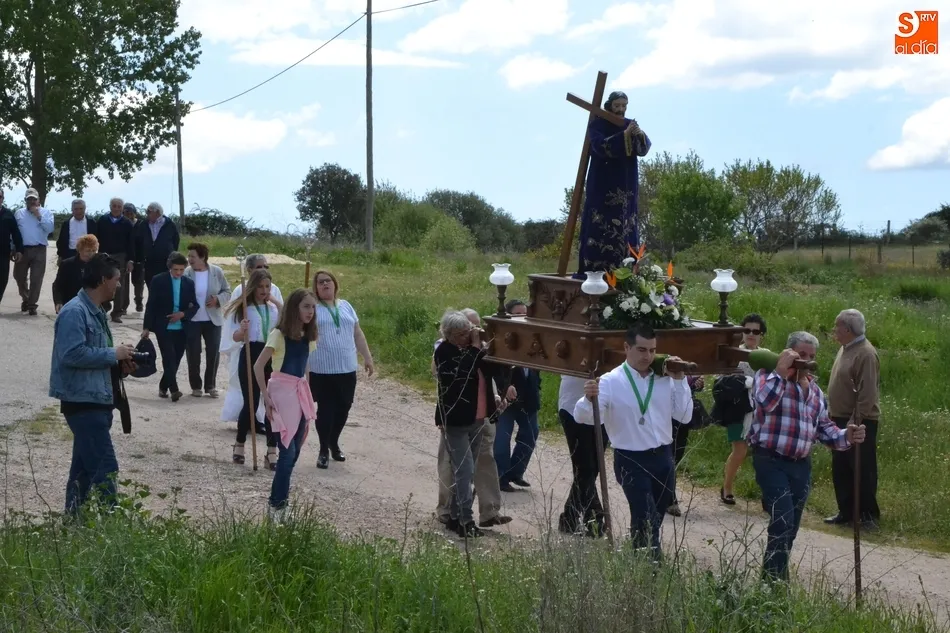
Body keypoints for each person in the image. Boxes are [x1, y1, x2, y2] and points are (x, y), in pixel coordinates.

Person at [748, 331, 867, 581]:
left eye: (811, 356)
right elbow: (764, 401)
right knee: (782, 519)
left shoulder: (814, 391)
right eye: (801, 355)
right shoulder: (767, 377)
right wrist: (781, 372)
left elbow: (823, 429)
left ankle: (773, 578)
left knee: (790, 527)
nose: (807, 360)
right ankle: (774, 583)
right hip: (770, 460)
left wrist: (847, 435)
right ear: (788, 353)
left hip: (801, 466)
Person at [575, 323, 691, 561]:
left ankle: (639, 559)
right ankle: (651, 566)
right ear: (626, 347)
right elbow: (584, 417)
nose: (647, 356)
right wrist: (588, 398)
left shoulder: (664, 378)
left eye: (652, 350)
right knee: (644, 515)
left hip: (663, 458)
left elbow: (684, 415)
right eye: (641, 349)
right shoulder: (610, 381)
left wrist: (680, 381)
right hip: (631, 459)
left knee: (655, 517)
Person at [48, 253, 135, 515]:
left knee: (83, 471)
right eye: (117, 280)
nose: (119, 285)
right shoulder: (75, 312)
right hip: (82, 402)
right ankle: (113, 527)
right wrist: (113, 354)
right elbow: (71, 354)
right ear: (102, 280)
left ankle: (73, 526)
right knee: (105, 469)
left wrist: (121, 362)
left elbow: (95, 354)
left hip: (97, 399)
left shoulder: (96, 312)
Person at [435, 309, 514, 538]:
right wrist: (476, 347)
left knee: (466, 472)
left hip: (479, 419)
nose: (466, 337)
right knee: (465, 470)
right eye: (462, 334)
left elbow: (495, 369)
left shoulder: (474, 351)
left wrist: (493, 347)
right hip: (456, 422)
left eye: (468, 333)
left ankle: (454, 516)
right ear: (449, 334)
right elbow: (461, 374)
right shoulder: (444, 351)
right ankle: (464, 521)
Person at [254, 289, 319, 521]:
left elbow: (306, 367)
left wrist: (308, 394)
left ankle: (279, 499)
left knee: (295, 450)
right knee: (286, 450)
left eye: (312, 307)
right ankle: (277, 506)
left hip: (299, 394)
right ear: (294, 308)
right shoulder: (279, 335)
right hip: (282, 393)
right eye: (306, 307)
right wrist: (266, 395)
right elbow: (258, 366)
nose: (310, 311)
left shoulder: (307, 336)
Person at [576, 91, 651, 276]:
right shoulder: (598, 124)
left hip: (626, 183)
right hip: (603, 184)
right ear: (609, 105)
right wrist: (623, 136)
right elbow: (600, 146)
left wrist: (639, 135)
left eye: (624, 106)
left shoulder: (629, 124)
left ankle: (626, 271)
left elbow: (643, 148)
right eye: (617, 106)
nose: (621, 110)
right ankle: (595, 271)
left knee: (626, 223)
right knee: (601, 223)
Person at [308, 270, 375, 469]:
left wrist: (367, 357)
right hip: (322, 368)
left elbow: (357, 333)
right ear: (316, 288)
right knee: (326, 410)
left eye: (328, 281)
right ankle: (323, 450)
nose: (325, 285)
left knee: (344, 407)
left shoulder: (346, 306)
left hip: (346, 367)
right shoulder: (313, 308)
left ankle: (333, 441)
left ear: (335, 284)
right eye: (320, 283)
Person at [825, 309, 881, 528]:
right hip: (838, 418)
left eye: (836, 326)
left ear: (847, 329)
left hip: (859, 420)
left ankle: (868, 516)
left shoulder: (866, 353)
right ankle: (846, 512)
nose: (834, 330)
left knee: (861, 467)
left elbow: (868, 394)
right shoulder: (845, 348)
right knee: (841, 467)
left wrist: (854, 420)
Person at [224, 269, 280, 467]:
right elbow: (235, 337)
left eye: (268, 287)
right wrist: (242, 331)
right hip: (250, 353)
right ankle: (240, 443)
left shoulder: (274, 309)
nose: (264, 290)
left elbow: (284, 325)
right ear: (253, 287)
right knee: (251, 402)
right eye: (260, 287)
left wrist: (276, 301)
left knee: (271, 403)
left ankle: (272, 450)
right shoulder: (245, 308)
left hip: (269, 355)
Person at [220, 254, 283, 428]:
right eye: (259, 267)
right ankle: (248, 421)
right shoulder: (240, 290)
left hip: (268, 349)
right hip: (247, 349)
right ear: (249, 270)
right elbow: (232, 324)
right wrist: (241, 333)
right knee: (248, 390)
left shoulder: (273, 290)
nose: (263, 270)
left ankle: (262, 421)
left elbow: (280, 320)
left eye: (266, 267)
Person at [721, 313, 770, 505]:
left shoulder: (766, 356)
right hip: (738, 409)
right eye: (747, 330)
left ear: (761, 335)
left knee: (762, 454)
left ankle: (768, 495)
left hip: (760, 411)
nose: (751, 334)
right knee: (740, 451)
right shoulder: (733, 354)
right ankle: (727, 488)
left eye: (755, 331)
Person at [494, 299, 542, 491]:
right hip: (507, 399)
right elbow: (494, 367)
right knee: (501, 440)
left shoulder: (535, 337)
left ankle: (516, 472)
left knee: (530, 435)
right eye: (518, 314)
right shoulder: (500, 339)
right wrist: (505, 386)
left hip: (529, 397)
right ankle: (501, 477)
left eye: (525, 314)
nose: (522, 318)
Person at [142, 252, 198, 402]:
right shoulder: (158, 280)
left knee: (176, 359)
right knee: (169, 358)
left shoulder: (189, 283)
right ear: (169, 268)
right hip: (163, 326)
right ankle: (174, 389)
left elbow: (195, 306)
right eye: (175, 270)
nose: (178, 273)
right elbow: (151, 305)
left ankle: (163, 386)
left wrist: (182, 314)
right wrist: (146, 327)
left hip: (182, 327)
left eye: (181, 270)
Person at [557, 374, 607, 537]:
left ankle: (570, 517)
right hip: (572, 407)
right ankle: (594, 518)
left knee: (592, 469)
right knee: (586, 468)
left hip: (603, 410)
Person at [183, 242, 231, 398]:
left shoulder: (217, 272)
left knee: (213, 353)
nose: (189, 259)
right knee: (193, 353)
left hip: (213, 320)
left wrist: (218, 299)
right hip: (192, 320)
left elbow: (227, 291)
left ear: (202, 257)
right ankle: (196, 386)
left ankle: (210, 385)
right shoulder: (186, 273)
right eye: (189, 255)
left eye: (193, 256)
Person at [667, 374, 706, 517]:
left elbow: (686, 386)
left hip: (682, 417)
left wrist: (696, 383)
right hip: (664, 415)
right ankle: (670, 500)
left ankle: (665, 495)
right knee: (668, 459)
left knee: (675, 457)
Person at [13, 188, 54, 315]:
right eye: (29, 199)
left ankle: (32, 304)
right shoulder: (18, 213)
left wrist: (38, 215)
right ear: (25, 200)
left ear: (38, 200)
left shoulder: (46, 213)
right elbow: (14, 233)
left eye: (34, 199)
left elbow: (50, 229)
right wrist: (13, 249)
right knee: (19, 276)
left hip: (39, 249)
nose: (31, 201)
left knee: (36, 278)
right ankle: (26, 298)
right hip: (23, 250)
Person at [96, 197, 136, 323]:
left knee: (120, 284)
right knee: (103, 282)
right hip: (104, 255)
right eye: (114, 206)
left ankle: (117, 312)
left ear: (122, 208)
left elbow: (131, 243)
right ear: (110, 207)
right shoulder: (102, 220)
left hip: (121, 256)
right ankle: (103, 308)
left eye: (119, 206)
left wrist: (130, 260)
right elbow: (96, 237)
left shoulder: (127, 223)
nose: (117, 208)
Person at [135, 202, 180, 287]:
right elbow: (139, 241)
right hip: (149, 262)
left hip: (165, 262)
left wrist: (170, 253)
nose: (147, 214)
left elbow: (176, 241)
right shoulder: (144, 224)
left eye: (149, 211)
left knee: (165, 286)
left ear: (158, 212)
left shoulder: (169, 224)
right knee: (151, 286)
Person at [53, 234, 100, 313]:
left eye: (94, 250)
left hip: (92, 306)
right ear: (80, 250)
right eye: (88, 250)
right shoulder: (67, 264)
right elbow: (58, 285)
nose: (91, 253)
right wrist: (58, 302)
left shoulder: (98, 265)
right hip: (70, 303)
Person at [0, 190, 24, 305]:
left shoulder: (8, 214)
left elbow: (16, 233)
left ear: (3, 198)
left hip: (3, 253)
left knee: (2, 279)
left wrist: (19, 250)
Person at [122, 203, 145, 312]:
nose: (129, 214)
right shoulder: (122, 224)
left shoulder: (141, 224)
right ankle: (123, 305)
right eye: (126, 212)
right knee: (124, 282)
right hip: (125, 256)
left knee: (138, 281)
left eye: (131, 212)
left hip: (139, 256)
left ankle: (139, 301)